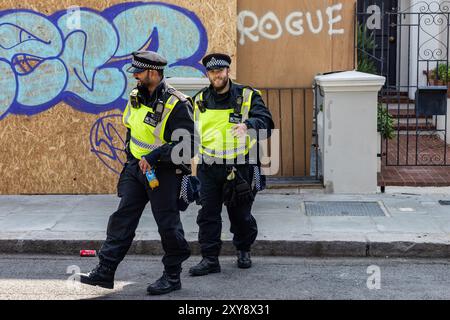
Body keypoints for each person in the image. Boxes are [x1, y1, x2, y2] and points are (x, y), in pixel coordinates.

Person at [78, 50, 195, 295]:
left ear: (153, 72)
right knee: (122, 219)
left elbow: (188, 145)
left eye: (139, 73)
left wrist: (154, 156)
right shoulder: (135, 96)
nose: (136, 77)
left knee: (168, 225)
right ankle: (105, 271)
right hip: (136, 169)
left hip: (164, 173)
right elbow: (131, 127)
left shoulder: (177, 103)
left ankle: (172, 276)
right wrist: (132, 158)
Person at [189, 53, 274, 276]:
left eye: (220, 71)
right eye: (212, 72)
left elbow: (266, 121)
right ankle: (209, 259)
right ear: (207, 74)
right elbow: (192, 135)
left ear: (228, 71)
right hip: (208, 167)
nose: (216, 75)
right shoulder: (198, 100)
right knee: (208, 215)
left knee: (240, 215)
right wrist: (190, 172)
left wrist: (249, 124)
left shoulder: (247, 96)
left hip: (239, 167)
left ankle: (243, 249)